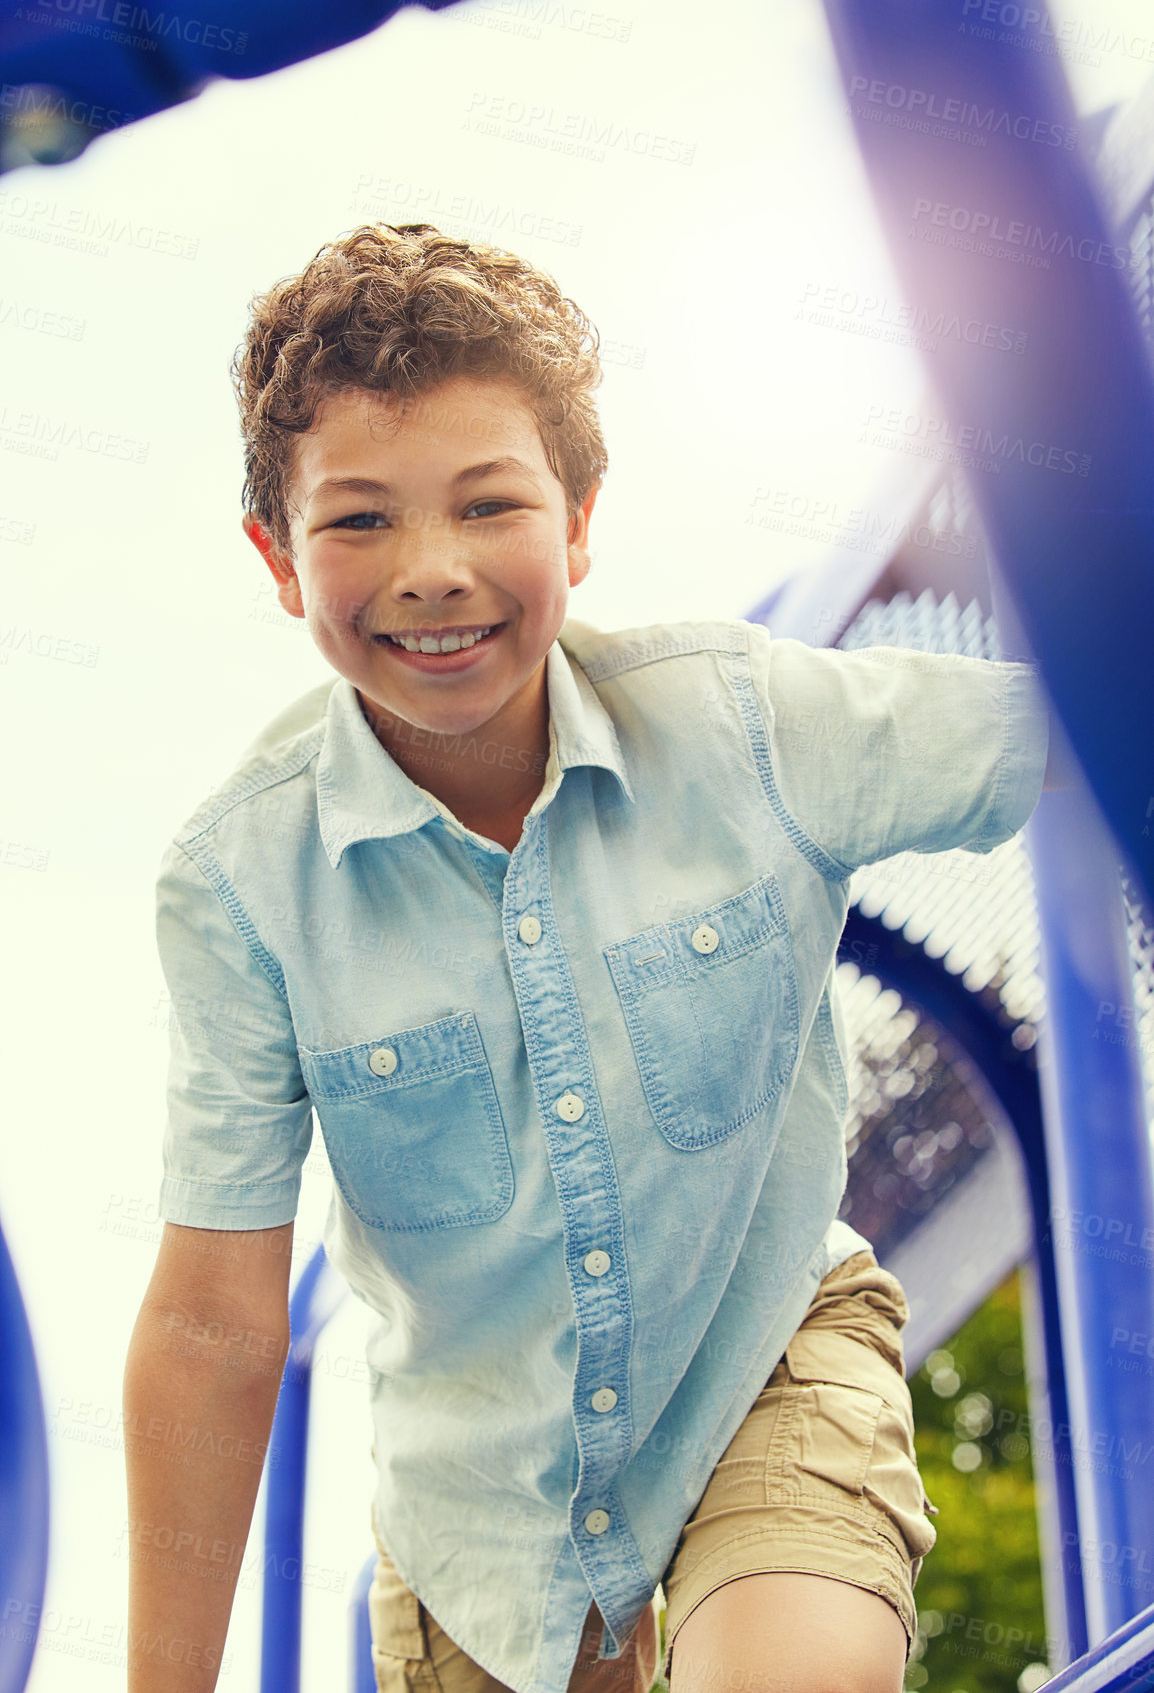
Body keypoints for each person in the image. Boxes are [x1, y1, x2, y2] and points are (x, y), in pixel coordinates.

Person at [123, 222, 1055, 1693]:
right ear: (278, 561)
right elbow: (216, 1318)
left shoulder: (746, 726)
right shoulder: (242, 884)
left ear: (576, 520)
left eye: (486, 505)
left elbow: (1062, 725)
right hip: (479, 1513)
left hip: (767, 1360)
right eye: (357, 521)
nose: (430, 571)